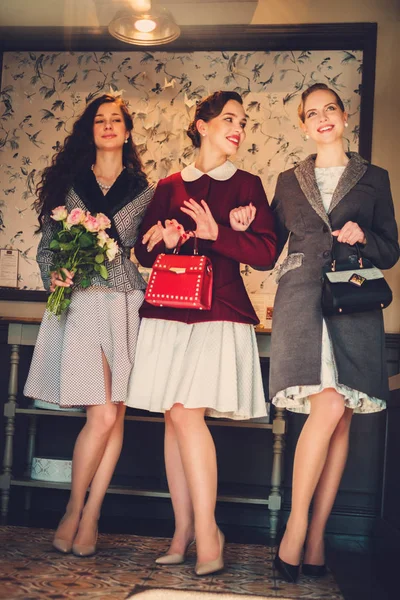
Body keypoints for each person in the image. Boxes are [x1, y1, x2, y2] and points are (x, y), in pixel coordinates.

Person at [125, 91, 277, 575]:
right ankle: (183, 530)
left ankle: (209, 532)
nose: (238, 128)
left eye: (242, 121)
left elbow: (267, 254)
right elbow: (145, 253)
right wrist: (166, 241)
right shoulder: (169, 186)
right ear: (202, 125)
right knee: (175, 417)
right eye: (228, 119)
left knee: (188, 414)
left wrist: (218, 235)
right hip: (169, 314)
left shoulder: (249, 184)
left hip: (219, 311)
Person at [266, 83, 399, 583]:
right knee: (329, 407)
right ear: (303, 125)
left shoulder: (374, 179)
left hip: (353, 304)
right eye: (311, 113)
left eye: (329, 110)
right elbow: (264, 249)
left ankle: (312, 535)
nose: (321, 118)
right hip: (301, 303)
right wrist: (230, 227)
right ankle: (300, 530)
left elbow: (390, 249)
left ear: (344, 118)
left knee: (340, 416)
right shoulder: (285, 181)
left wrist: (365, 235)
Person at [24, 94, 155, 557]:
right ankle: (72, 509)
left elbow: (149, 250)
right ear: (90, 130)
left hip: (127, 302)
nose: (107, 126)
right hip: (81, 302)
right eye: (99, 120)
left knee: (114, 413)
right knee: (99, 414)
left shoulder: (145, 190)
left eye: (115, 119)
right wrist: (52, 272)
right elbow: (48, 247)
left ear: (127, 130)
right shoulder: (71, 184)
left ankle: (91, 514)